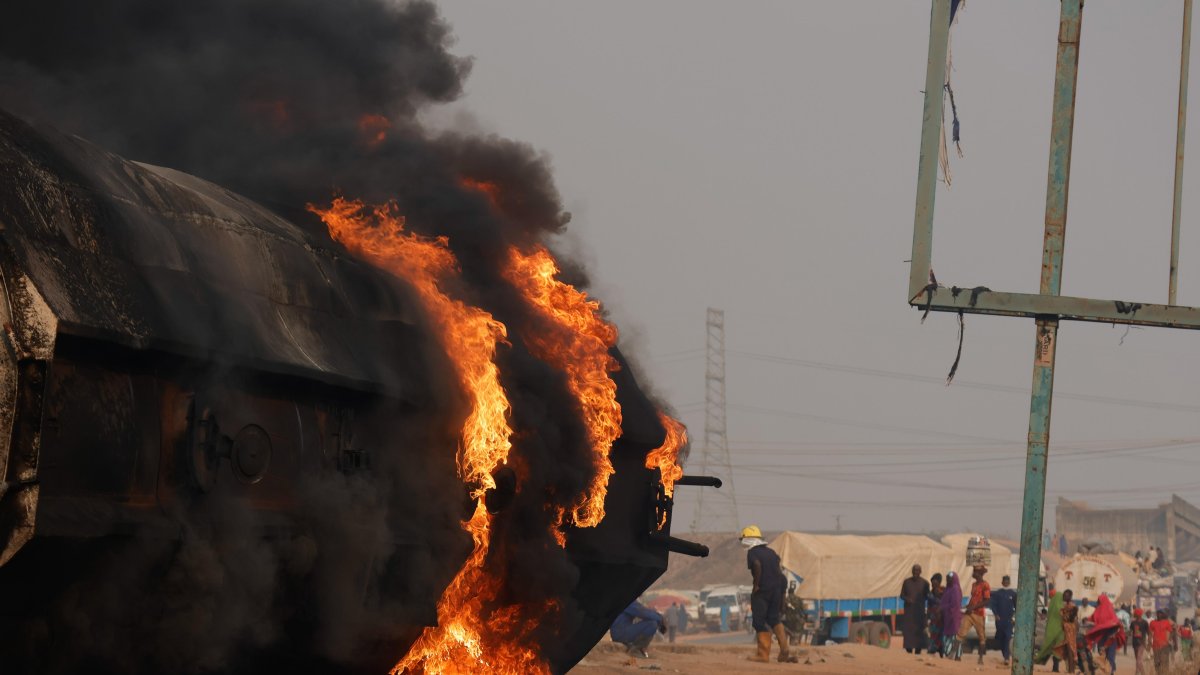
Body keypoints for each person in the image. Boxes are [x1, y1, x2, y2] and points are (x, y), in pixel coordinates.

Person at [739, 525, 796, 663]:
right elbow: (780, 576)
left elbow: (757, 565)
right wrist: (782, 596)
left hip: (763, 590)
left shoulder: (752, 553)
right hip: (777, 589)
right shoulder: (771, 552)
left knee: (759, 621)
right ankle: (784, 650)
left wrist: (756, 585)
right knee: (774, 619)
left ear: (748, 539)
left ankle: (763, 655)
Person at [956, 566, 990, 664]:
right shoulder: (974, 584)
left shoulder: (985, 585)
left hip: (979, 614)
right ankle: (957, 656)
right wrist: (967, 606)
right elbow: (974, 598)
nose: (973, 573)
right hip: (970, 613)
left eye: (975, 572)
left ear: (979, 574)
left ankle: (980, 659)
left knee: (981, 637)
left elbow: (987, 600)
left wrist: (973, 607)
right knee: (960, 634)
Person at [1086, 594, 1126, 674]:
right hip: (1102, 636)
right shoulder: (1098, 609)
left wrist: (1113, 631)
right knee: (1102, 655)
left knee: (1110, 655)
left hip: (1110, 636)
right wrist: (1086, 619)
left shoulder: (1109, 608)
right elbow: (1093, 618)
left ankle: (1111, 671)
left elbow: (1114, 622)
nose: (1097, 601)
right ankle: (1109, 670)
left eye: (1099, 600)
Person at [901, 564, 930, 654]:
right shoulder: (906, 582)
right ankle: (908, 648)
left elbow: (928, 596)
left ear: (920, 572)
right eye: (914, 570)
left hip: (919, 612)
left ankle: (918, 649)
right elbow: (901, 595)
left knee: (919, 631)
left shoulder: (925, 583)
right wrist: (908, 599)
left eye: (917, 570)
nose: (915, 572)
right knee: (909, 631)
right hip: (909, 612)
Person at [1036, 589, 1067, 671]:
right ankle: (1056, 668)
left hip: (1051, 630)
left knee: (1049, 647)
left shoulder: (1052, 605)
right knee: (1057, 649)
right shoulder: (1060, 607)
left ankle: (1051, 665)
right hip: (1059, 631)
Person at [991, 574, 1017, 665]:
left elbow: (1017, 606)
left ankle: (1007, 657)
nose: (1006, 583)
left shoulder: (1013, 594)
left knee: (1007, 638)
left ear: (1009, 582)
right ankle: (1004, 655)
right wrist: (996, 614)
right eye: (1004, 581)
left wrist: (1014, 617)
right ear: (1002, 582)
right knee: (1001, 638)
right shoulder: (998, 593)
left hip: (1009, 621)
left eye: (1007, 581)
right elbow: (993, 605)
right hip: (999, 620)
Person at [940, 571, 963, 659]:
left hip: (953, 617)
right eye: (947, 579)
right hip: (947, 617)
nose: (948, 581)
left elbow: (955, 604)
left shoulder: (955, 589)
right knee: (948, 636)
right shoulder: (947, 589)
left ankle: (956, 655)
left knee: (954, 636)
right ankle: (952, 654)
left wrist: (943, 607)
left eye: (949, 579)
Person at [1055, 590, 1079, 673]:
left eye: (1066, 595)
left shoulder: (1072, 606)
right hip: (1066, 629)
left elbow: (1072, 618)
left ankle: (1072, 671)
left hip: (1070, 630)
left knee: (1071, 649)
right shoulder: (1066, 606)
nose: (1064, 597)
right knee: (1069, 649)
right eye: (1064, 595)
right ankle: (1070, 670)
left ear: (1070, 596)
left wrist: (1065, 615)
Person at [1148, 609, 1175, 674]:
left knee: (1164, 661)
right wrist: (1149, 644)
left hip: (1164, 645)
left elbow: (1172, 631)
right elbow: (1150, 634)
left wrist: (1169, 639)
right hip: (1155, 645)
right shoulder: (1152, 623)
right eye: (1158, 613)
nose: (1159, 615)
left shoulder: (1167, 622)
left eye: (1161, 613)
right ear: (1156, 614)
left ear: (1163, 615)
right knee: (1157, 662)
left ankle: (1165, 673)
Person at [927, 572, 946, 657]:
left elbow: (945, 603)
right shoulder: (930, 593)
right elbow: (929, 605)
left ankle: (940, 651)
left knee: (940, 635)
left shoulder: (944, 590)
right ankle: (933, 650)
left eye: (935, 582)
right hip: (933, 618)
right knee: (933, 634)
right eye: (932, 582)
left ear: (939, 582)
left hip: (941, 617)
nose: (933, 584)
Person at [1130, 607, 1151, 675]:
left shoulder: (1144, 623)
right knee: (1138, 660)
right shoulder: (1134, 623)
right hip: (1136, 643)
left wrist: (1149, 643)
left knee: (1138, 659)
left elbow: (1149, 633)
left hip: (1141, 643)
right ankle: (1140, 672)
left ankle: (1140, 673)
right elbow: (1130, 632)